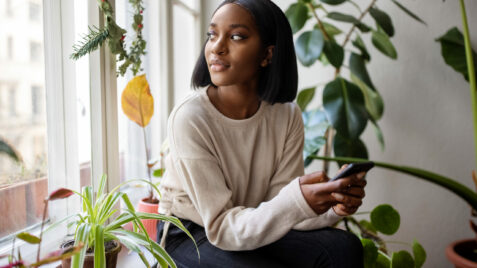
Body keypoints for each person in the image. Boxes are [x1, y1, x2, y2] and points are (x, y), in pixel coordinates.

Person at [156, 0, 367, 267]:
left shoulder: (286, 115)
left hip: (248, 220)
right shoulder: (190, 117)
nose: (217, 47)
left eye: (235, 36)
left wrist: (332, 207)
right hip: (190, 232)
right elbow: (221, 227)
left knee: (344, 248)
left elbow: (279, 206)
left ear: (267, 54)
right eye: (212, 35)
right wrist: (295, 200)